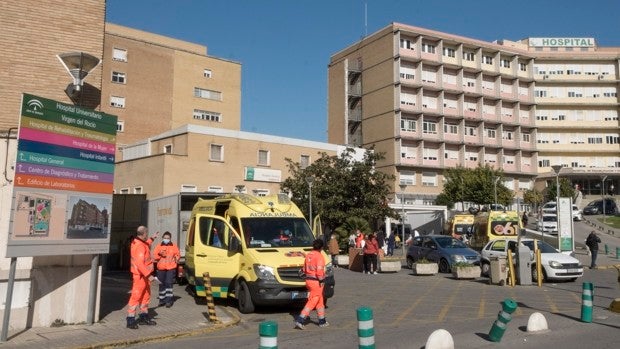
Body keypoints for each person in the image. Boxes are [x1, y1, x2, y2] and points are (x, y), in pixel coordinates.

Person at [126, 226, 158, 329]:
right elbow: (140, 264)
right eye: (147, 233)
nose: (147, 234)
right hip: (141, 276)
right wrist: (149, 275)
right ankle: (130, 320)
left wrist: (152, 238)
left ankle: (144, 316)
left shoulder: (139, 242)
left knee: (146, 296)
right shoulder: (139, 246)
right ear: (143, 233)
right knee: (136, 297)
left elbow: (146, 244)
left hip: (143, 276)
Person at [295, 239, 328, 329]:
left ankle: (322, 321)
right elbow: (319, 271)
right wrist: (322, 280)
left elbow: (304, 269)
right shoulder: (319, 256)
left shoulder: (309, 255)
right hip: (316, 281)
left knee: (319, 300)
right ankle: (300, 319)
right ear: (321, 247)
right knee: (313, 301)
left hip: (308, 280)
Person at [153, 231, 180, 308]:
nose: (166, 239)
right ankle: (162, 300)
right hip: (161, 268)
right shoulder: (158, 246)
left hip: (170, 268)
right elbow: (155, 256)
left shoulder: (174, 246)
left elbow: (177, 255)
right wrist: (160, 254)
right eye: (165, 238)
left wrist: (177, 258)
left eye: (168, 238)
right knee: (161, 284)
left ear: (170, 239)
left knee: (169, 283)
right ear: (162, 238)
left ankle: (169, 301)